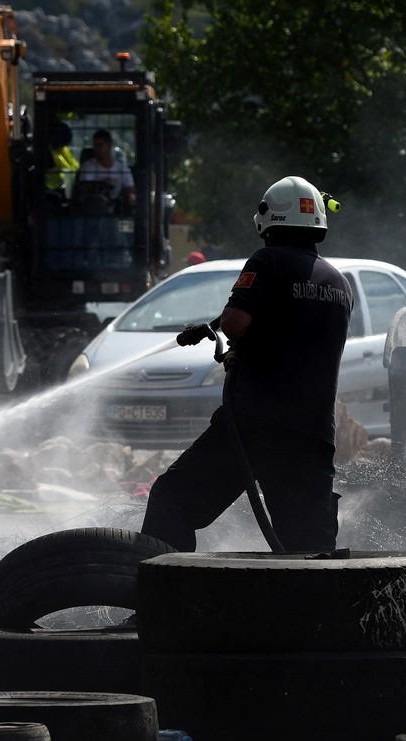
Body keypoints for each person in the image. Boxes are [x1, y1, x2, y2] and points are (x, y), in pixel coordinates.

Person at [140, 176, 352, 554]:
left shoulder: (268, 260)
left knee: (172, 500)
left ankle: (164, 604)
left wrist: (234, 340)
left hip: (255, 425)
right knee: (309, 548)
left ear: (269, 218)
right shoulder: (338, 283)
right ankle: (316, 612)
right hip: (313, 434)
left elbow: (237, 322)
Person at [75, 129, 135, 212]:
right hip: (93, 209)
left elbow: (131, 190)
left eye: (99, 145)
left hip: (116, 208)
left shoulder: (121, 169)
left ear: (109, 145)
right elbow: (86, 190)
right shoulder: (88, 167)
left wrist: (129, 196)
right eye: (95, 146)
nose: (96, 149)